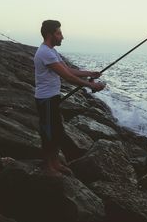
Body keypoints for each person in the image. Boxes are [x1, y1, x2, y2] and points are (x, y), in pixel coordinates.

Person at [34, 20, 105, 176]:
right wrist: (91, 85)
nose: (62, 37)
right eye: (59, 33)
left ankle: (55, 163)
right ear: (49, 34)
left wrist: (89, 73)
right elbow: (68, 77)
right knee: (48, 133)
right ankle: (48, 166)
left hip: (52, 97)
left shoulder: (51, 51)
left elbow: (67, 69)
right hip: (45, 99)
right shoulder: (45, 52)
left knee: (57, 131)